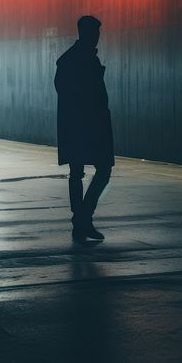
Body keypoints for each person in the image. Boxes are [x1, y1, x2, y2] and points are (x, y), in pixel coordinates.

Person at [54, 15, 114, 241]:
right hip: (90, 125)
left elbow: (63, 92)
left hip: (74, 125)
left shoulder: (67, 60)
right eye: (95, 33)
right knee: (103, 170)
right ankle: (83, 218)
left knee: (76, 173)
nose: (98, 37)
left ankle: (81, 219)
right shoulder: (85, 59)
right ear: (86, 33)